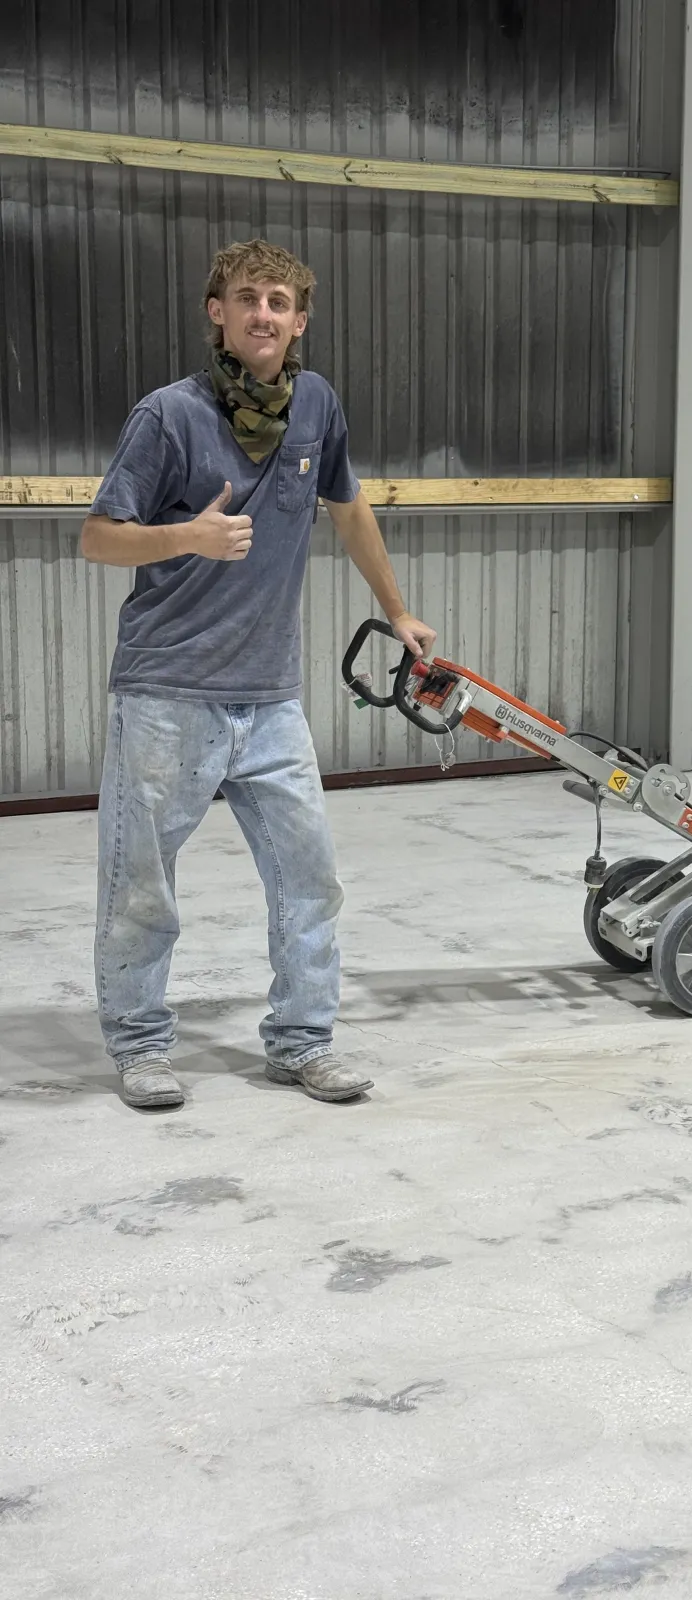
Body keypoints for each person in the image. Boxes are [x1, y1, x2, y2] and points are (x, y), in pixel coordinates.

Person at [80, 239, 436, 1110]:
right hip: (167, 694)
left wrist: (397, 611)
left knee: (308, 880)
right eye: (248, 298)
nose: (264, 313)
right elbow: (97, 535)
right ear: (219, 313)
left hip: (270, 699)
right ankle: (139, 1046)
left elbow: (347, 507)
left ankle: (302, 1042)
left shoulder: (314, 404)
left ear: (299, 320)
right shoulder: (167, 415)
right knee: (141, 885)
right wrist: (183, 538)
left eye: (279, 301)